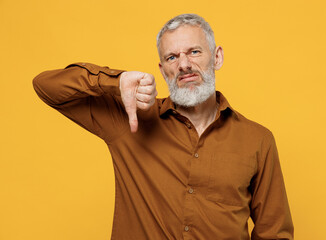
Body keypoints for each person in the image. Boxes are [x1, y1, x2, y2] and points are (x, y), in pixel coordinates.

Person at [33, 13, 294, 240]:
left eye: (194, 51)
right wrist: (115, 81)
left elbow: (273, 233)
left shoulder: (257, 140)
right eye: (171, 57)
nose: (183, 65)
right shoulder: (131, 119)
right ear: (162, 69)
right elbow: (46, 86)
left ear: (217, 57)